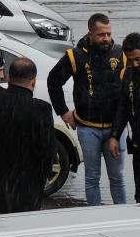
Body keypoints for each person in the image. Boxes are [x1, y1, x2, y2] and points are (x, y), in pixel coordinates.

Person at [47, 13, 128, 205]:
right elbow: (53, 81)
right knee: (92, 178)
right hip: (87, 127)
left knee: (117, 178)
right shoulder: (75, 56)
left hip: (115, 128)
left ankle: (124, 217)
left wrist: (120, 129)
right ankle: (96, 218)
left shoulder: (121, 54)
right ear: (90, 34)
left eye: (108, 34)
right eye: (101, 35)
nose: (106, 38)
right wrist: (63, 112)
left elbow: (128, 93)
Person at [0, 58, 56, 214]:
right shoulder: (41, 109)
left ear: (9, 78)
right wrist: (41, 177)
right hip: (26, 192)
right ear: (33, 82)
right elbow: (47, 151)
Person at [110, 33, 140, 202]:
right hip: (138, 143)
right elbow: (123, 107)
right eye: (130, 60)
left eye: (138, 59)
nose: (135, 64)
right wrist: (114, 135)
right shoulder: (128, 74)